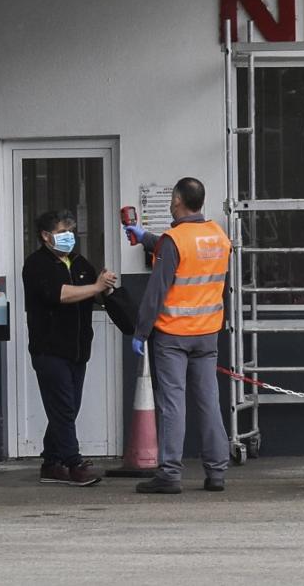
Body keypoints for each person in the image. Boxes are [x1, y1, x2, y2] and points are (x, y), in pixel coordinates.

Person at [124, 177, 231, 495]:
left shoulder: (174, 239)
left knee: (173, 405)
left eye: (173, 198)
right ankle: (216, 473)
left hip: (173, 335)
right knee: (209, 402)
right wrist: (145, 238)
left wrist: (140, 332)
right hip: (208, 334)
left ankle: (170, 473)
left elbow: (157, 290)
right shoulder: (217, 235)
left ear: (178, 201)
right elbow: (187, 254)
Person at [22, 210, 122, 487]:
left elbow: (94, 292)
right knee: (64, 407)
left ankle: (51, 462)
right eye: (63, 231)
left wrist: (105, 287)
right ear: (45, 235)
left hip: (78, 349)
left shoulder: (78, 262)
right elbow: (60, 294)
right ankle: (73, 462)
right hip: (49, 349)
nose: (70, 237)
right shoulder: (37, 265)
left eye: (72, 231)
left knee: (68, 407)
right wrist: (94, 287)